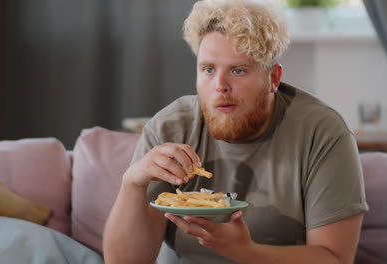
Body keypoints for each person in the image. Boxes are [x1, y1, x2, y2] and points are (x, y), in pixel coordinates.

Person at [103, 0, 368, 263]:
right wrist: (133, 183)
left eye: (238, 70)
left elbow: (335, 259)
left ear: (273, 79)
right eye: (208, 69)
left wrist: (246, 253)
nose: (220, 86)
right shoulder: (170, 127)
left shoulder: (323, 134)